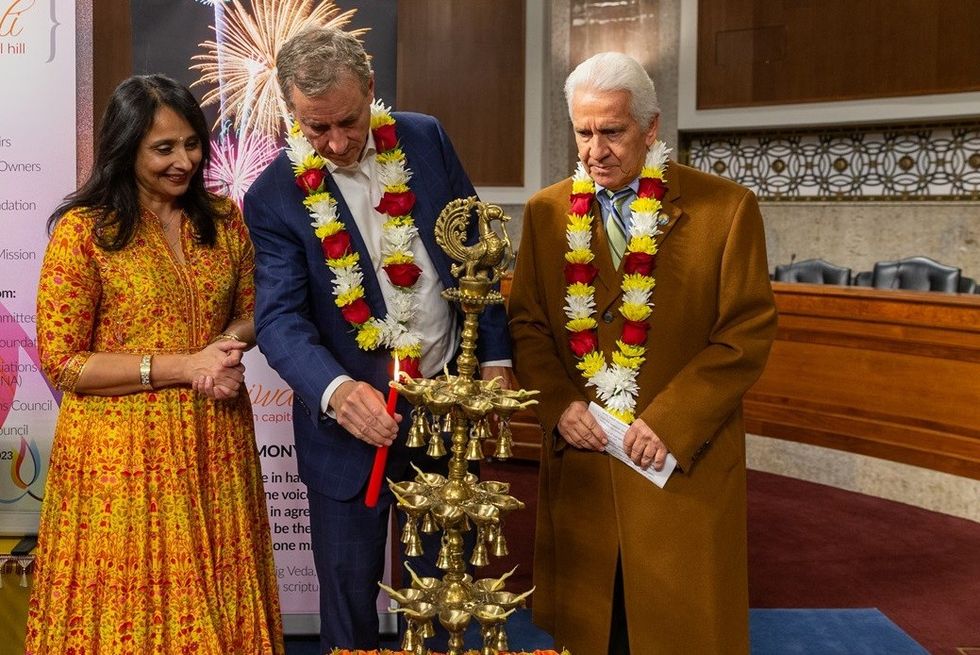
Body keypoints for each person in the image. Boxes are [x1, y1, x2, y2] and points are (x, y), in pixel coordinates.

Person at [243, 27, 513, 652]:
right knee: (348, 595)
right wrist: (336, 392)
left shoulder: (426, 138)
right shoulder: (273, 195)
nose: (337, 144)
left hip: (444, 408)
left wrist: (495, 357)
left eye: (348, 121)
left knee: (443, 588)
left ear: (370, 89)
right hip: (348, 431)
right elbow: (280, 319)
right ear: (291, 111)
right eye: (316, 128)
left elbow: (477, 253)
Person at [508, 52, 778, 654]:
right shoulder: (546, 213)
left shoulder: (727, 209)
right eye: (583, 133)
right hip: (584, 461)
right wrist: (558, 404)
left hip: (680, 466)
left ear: (651, 128)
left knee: (677, 632)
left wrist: (672, 421)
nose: (595, 151)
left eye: (612, 131)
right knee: (593, 632)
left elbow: (745, 333)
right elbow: (527, 324)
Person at [27, 75, 284, 654]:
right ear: (125, 149)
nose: (183, 161)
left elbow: (255, 311)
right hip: (119, 459)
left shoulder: (222, 219)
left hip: (215, 440)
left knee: (217, 597)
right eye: (163, 148)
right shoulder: (85, 232)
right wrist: (183, 365)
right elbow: (64, 363)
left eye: (191, 144)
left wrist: (220, 350)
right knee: (130, 610)